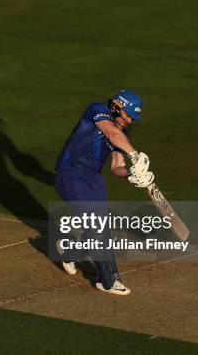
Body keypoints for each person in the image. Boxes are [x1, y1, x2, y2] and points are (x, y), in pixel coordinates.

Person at [54, 90, 155, 295]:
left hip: (94, 179)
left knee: (102, 225)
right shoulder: (97, 110)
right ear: (117, 107)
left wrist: (131, 174)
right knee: (98, 224)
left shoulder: (123, 134)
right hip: (71, 174)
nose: (129, 121)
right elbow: (111, 133)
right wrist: (135, 155)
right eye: (128, 115)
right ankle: (109, 280)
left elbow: (116, 167)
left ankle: (70, 252)